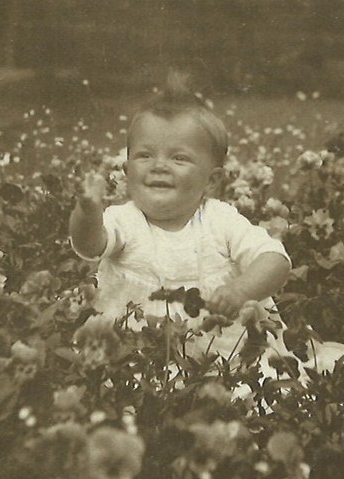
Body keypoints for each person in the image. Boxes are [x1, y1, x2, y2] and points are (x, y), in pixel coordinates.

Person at [69, 72, 292, 369]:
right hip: (135, 353)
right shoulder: (124, 219)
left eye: (179, 159)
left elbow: (275, 259)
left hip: (222, 353)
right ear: (126, 169)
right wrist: (88, 211)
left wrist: (241, 290)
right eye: (145, 155)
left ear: (212, 181)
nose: (159, 166)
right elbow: (89, 245)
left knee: (243, 388)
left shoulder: (220, 221)